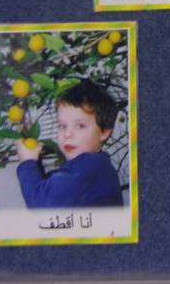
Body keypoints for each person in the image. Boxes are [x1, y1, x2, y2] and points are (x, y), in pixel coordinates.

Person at [16, 80, 123, 208]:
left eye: (80, 126)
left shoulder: (87, 168)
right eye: (62, 126)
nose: (67, 134)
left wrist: (28, 162)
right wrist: (36, 162)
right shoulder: (95, 166)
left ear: (104, 132)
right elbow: (50, 189)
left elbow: (41, 204)